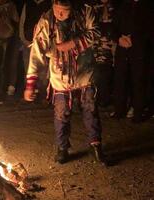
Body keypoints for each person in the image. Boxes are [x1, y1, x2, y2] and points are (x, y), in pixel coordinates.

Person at [24, 0, 106, 165]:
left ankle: (95, 145)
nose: (60, 14)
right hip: (60, 75)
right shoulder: (47, 21)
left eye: (64, 11)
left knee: (90, 109)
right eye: (57, 10)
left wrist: (74, 43)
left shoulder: (84, 11)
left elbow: (96, 31)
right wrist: (30, 84)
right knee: (61, 113)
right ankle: (62, 148)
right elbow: (37, 52)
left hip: (84, 72)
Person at [111, 0, 151, 123]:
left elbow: (149, 29)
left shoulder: (147, 7)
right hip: (123, 48)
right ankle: (119, 109)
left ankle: (138, 112)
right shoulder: (122, 6)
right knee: (120, 79)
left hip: (139, 50)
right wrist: (118, 38)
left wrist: (133, 39)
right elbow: (114, 26)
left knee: (138, 81)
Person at [92, 0, 116, 108]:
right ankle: (97, 97)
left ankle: (104, 98)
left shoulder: (114, 7)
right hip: (96, 44)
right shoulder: (95, 7)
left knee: (106, 71)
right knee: (97, 72)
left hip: (109, 44)